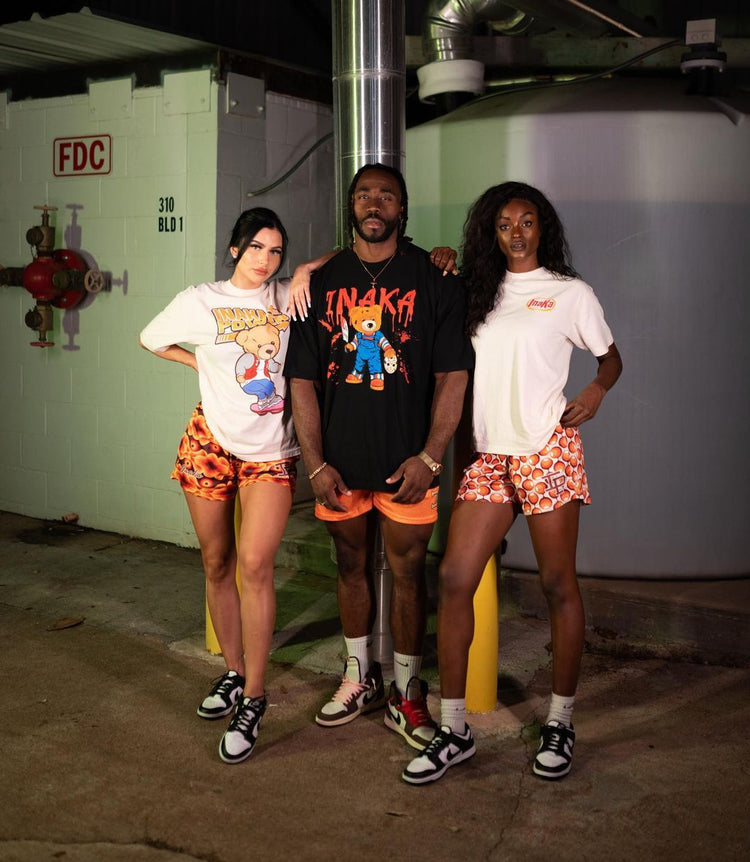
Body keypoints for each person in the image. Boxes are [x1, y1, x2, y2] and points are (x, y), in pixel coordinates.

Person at [402, 181, 622, 785]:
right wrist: (440, 259)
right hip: (490, 455)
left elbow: (611, 358)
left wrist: (596, 391)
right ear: (491, 234)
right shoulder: (479, 291)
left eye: (526, 222)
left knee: (557, 584)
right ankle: (454, 730)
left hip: (547, 448)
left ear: (542, 227)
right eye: (504, 225)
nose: (516, 233)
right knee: (454, 578)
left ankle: (561, 722)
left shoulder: (570, 293)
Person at [285, 163, 474, 752]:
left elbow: (452, 375)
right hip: (338, 466)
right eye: (364, 194)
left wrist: (431, 457)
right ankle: (358, 676)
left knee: (410, 573)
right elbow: (302, 381)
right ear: (351, 206)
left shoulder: (434, 277)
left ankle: (408, 691)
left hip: (407, 466)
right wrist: (315, 463)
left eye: (386, 195)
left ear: (402, 207)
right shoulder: (318, 283)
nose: (374, 203)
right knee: (350, 565)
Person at [139, 207, 332, 764]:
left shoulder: (288, 295)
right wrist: (197, 364)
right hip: (209, 441)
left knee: (255, 565)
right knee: (217, 562)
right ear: (234, 249)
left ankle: (254, 697)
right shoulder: (201, 299)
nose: (265, 260)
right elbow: (150, 338)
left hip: (270, 450)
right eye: (255, 248)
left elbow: (347, 256)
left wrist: (305, 271)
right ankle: (233, 671)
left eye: (276, 251)